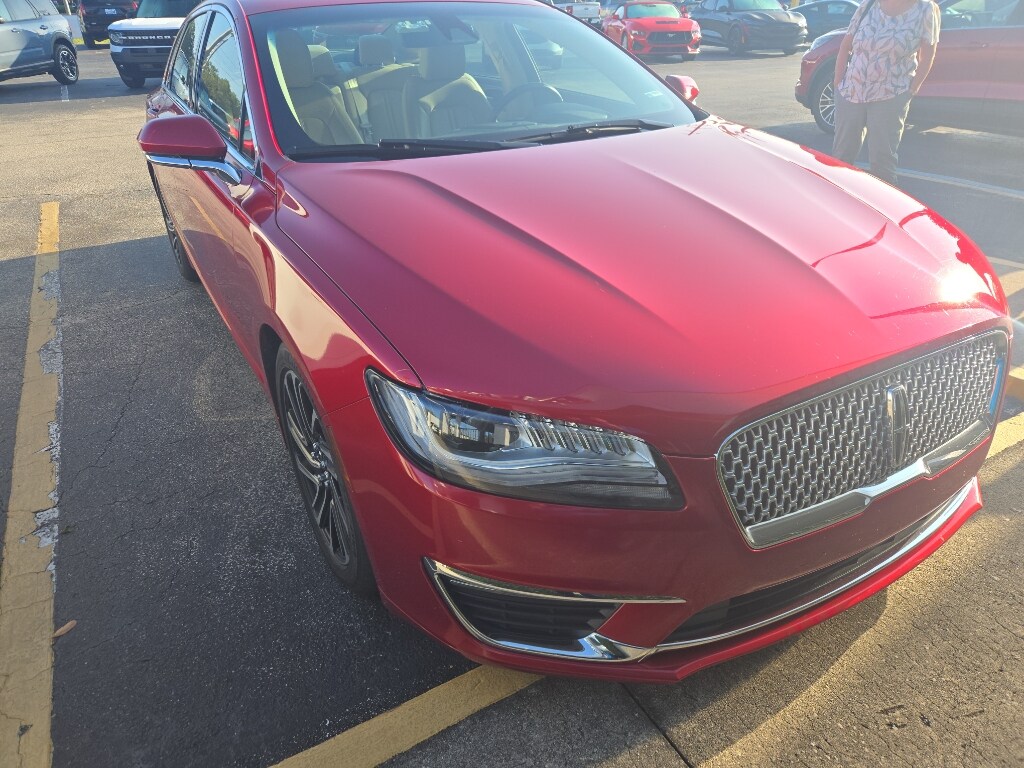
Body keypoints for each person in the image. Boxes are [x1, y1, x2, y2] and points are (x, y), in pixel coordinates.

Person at [832, 0, 940, 185]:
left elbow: (928, 55)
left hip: (890, 94)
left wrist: (911, 89)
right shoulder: (868, 5)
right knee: (840, 158)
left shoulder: (926, 9)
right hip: (851, 91)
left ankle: (882, 211)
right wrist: (837, 84)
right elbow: (845, 46)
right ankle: (835, 206)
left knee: (882, 163)